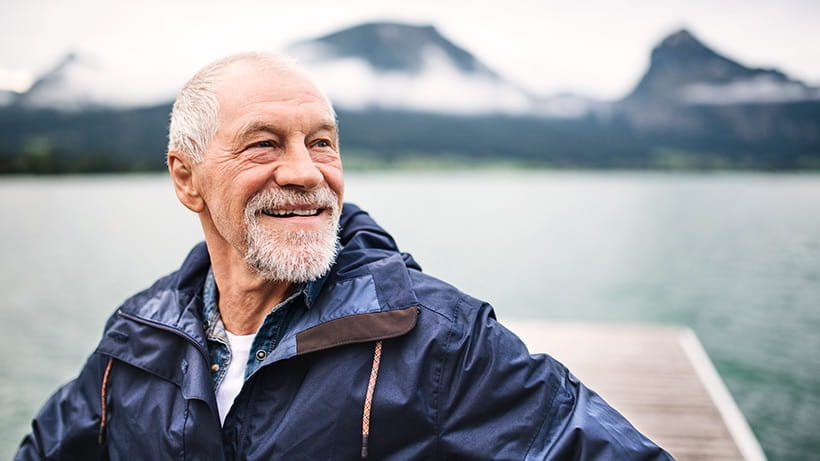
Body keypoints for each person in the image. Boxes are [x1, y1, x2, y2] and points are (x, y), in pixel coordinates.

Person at [16, 52, 673, 460]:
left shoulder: (438, 341)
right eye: (264, 144)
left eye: (323, 143)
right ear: (187, 178)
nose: (306, 172)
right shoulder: (135, 342)